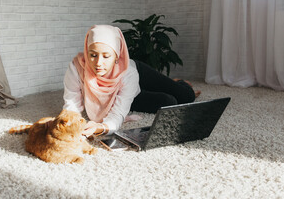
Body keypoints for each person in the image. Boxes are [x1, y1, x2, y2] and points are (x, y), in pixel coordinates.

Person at [63, 25, 201, 137]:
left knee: (186, 96)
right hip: (130, 94)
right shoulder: (76, 68)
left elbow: (115, 116)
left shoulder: (128, 72)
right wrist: (72, 124)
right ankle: (135, 94)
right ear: (87, 52)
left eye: (106, 56)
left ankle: (178, 82)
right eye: (93, 55)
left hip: (138, 74)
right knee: (169, 103)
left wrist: (102, 127)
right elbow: (71, 105)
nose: (98, 63)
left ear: (117, 56)